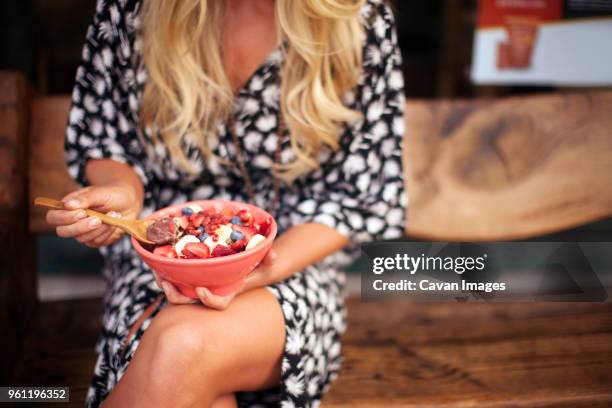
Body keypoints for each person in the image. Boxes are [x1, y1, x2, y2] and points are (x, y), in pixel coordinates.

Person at [47, 0, 405, 406]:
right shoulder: (130, 9)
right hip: (156, 267)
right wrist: (123, 195)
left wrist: (259, 267)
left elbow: (362, 196)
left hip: (293, 262)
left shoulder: (356, 18)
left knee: (180, 347)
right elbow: (105, 136)